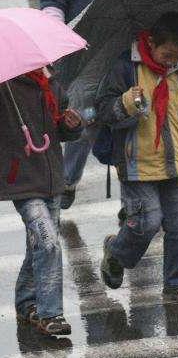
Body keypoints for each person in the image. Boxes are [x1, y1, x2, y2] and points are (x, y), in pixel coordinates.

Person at [39, 0, 164, 209]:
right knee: (82, 120)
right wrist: (57, 38)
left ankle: (134, 203)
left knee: (131, 119)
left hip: (127, 54)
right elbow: (51, 1)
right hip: (82, 56)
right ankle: (67, 181)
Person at [94, 11, 178, 303]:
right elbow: (103, 110)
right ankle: (116, 251)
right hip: (137, 163)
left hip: (175, 162)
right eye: (168, 53)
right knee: (146, 223)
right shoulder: (125, 67)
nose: (172, 60)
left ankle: (176, 283)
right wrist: (126, 102)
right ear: (153, 42)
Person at [0, 68, 83, 336]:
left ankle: (26, 302)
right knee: (48, 243)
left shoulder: (51, 83)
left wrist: (72, 125)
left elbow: (61, 129)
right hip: (23, 181)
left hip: (52, 179)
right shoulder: (5, 86)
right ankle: (51, 314)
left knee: (39, 245)